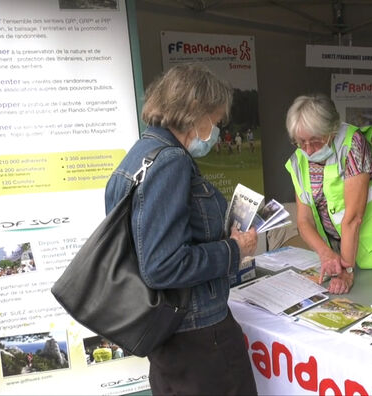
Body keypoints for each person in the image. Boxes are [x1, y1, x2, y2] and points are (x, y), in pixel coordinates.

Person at [105, 63, 258, 394]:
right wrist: (234, 249)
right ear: (196, 112)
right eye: (216, 121)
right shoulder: (169, 162)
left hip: (171, 333)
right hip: (200, 337)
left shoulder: (138, 156)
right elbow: (162, 265)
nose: (216, 131)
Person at [284, 94, 372, 295]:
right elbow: (304, 221)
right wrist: (326, 254)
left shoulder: (353, 144)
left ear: (331, 130)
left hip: (371, 252)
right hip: (335, 255)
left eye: (315, 141)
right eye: (301, 142)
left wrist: (347, 269)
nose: (309, 150)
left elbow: (353, 218)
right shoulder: (298, 160)